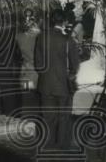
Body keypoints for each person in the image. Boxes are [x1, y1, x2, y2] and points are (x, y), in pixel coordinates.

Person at [34, 9, 80, 151]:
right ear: (64, 22)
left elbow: (38, 64)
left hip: (46, 84)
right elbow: (75, 65)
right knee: (64, 117)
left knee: (48, 117)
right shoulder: (68, 40)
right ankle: (62, 147)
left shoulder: (41, 37)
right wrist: (69, 75)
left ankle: (48, 146)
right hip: (63, 85)